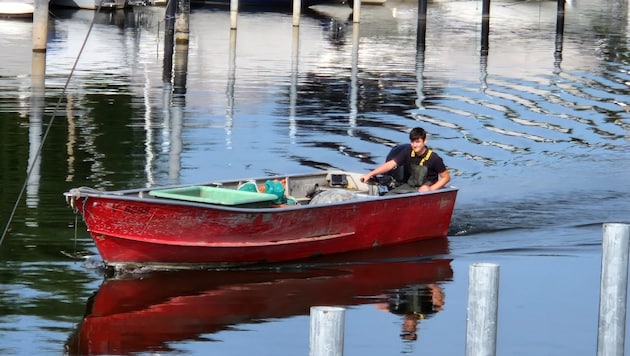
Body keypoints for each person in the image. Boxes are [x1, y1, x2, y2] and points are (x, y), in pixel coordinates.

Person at [360, 127, 450, 193]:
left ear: (425, 141)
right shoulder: (408, 151)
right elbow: (391, 164)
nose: (414, 145)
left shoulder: (434, 158)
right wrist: (371, 174)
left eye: (417, 142)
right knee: (389, 196)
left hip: (426, 190)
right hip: (411, 186)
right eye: (412, 142)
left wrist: (430, 189)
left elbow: (446, 177)